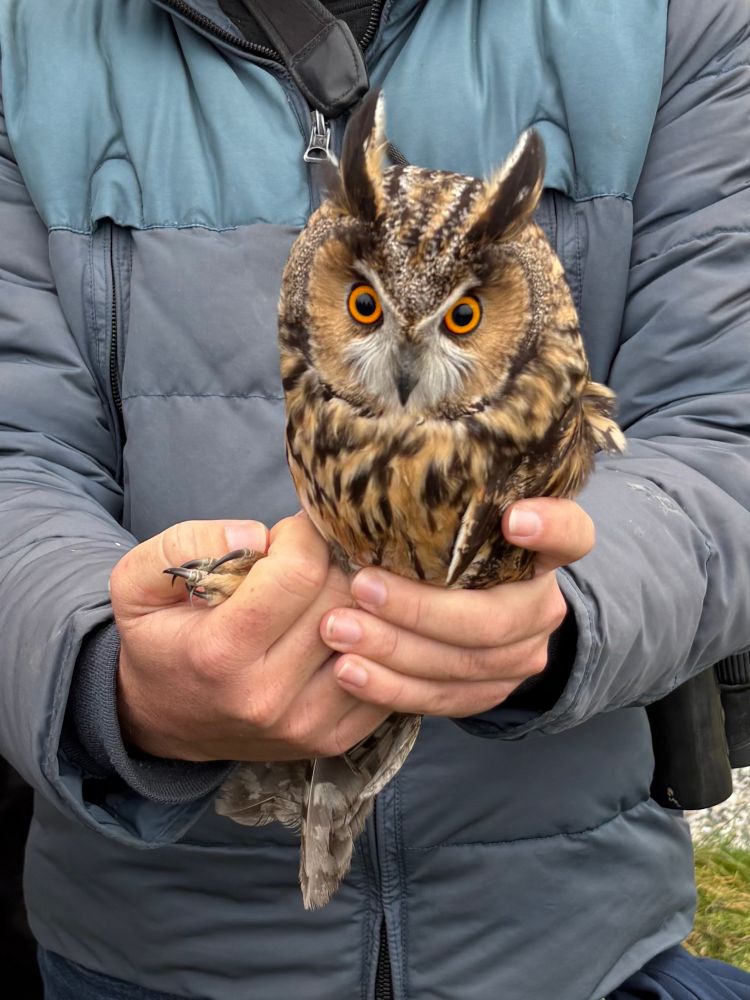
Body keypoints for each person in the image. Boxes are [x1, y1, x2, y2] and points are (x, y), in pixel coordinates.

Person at [0, 1, 748, 997]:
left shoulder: (669, 19)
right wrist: (107, 673)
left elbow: (723, 426)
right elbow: (16, 452)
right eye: (365, 308)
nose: (401, 356)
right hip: (152, 943)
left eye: (464, 316)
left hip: (566, 942)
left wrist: (562, 606)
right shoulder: (29, 36)